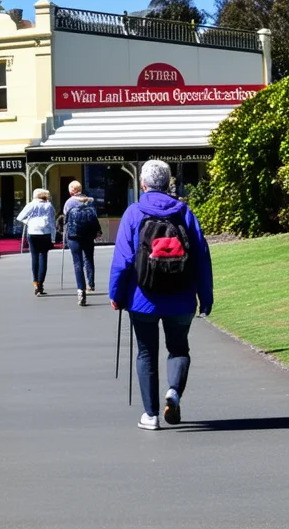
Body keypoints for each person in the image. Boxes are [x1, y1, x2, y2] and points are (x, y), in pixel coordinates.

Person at [108, 160, 213, 431]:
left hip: (143, 298)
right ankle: (174, 392)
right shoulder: (185, 213)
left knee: (146, 353)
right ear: (168, 184)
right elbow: (201, 257)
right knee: (179, 348)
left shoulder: (133, 213)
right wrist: (206, 296)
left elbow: (123, 260)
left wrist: (116, 294)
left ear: (142, 185)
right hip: (181, 296)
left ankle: (151, 415)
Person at [62, 180, 101, 306]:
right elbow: (95, 217)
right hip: (88, 234)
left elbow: (66, 219)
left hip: (73, 235)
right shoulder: (91, 200)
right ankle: (91, 284)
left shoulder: (69, 202)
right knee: (89, 258)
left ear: (72, 191)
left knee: (77, 262)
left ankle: (81, 290)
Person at [16, 188, 57, 296]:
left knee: (34, 257)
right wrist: (53, 237)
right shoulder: (49, 206)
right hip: (45, 233)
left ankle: (35, 282)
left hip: (33, 232)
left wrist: (29, 222)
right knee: (43, 257)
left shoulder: (31, 204)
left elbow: (20, 217)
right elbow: (52, 223)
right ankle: (40, 285)